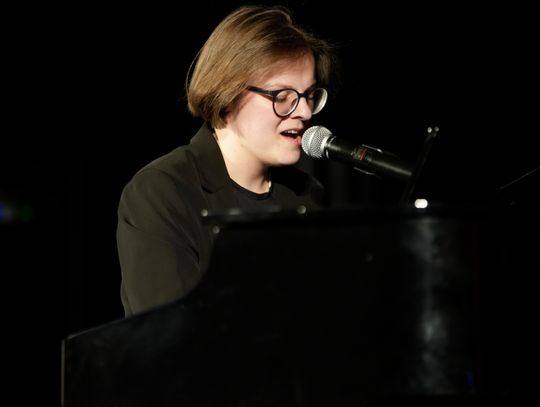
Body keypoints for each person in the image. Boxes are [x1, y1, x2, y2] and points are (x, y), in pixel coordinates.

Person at [116, 4, 337, 317]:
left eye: (309, 95)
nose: (303, 112)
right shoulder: (163, 192)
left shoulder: (306, 194)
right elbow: (167, 332)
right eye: (282, 96)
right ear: (228, 94)